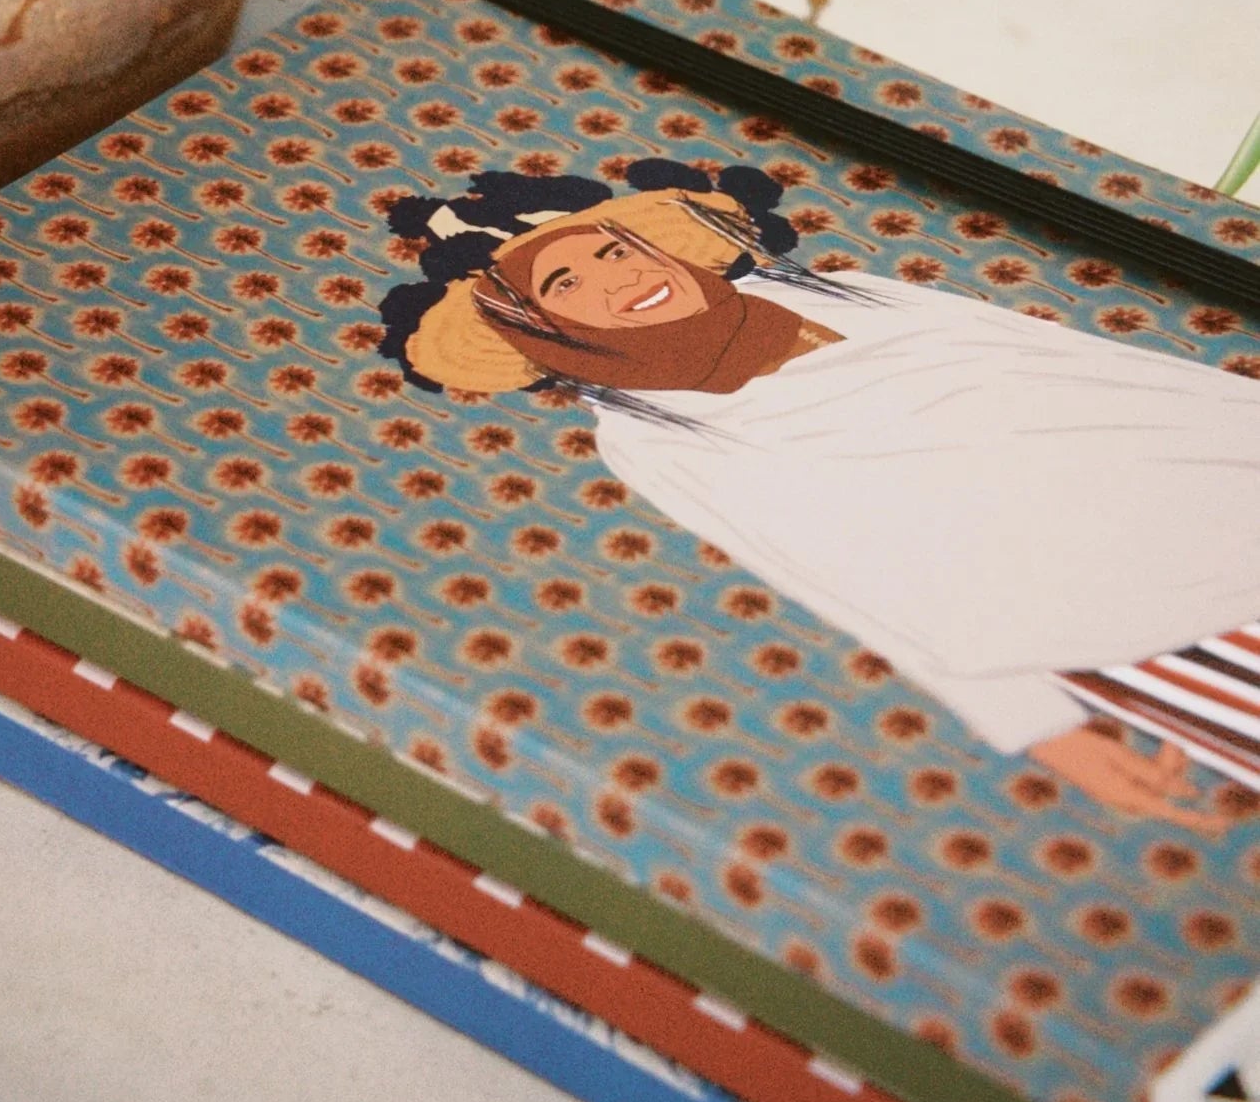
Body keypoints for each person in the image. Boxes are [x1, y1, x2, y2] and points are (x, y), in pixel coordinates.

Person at [381, 164, 1260, 829]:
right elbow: (842, 579)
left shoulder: (848, 293)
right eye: (566, 285)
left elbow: (1091, 368)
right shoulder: (650, 436)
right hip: (1132, 623)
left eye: (615, 250)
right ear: (542, 330)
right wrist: (1037, 722)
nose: (617, 281)